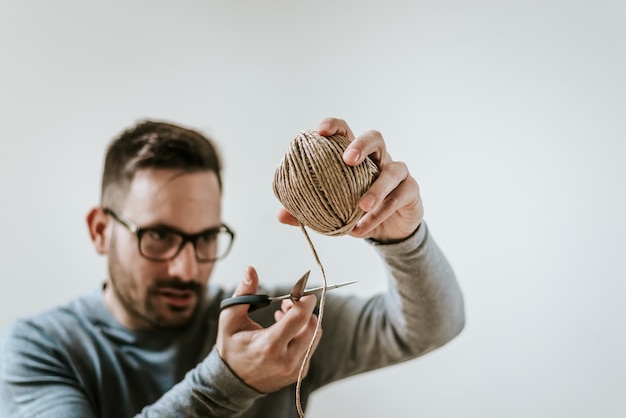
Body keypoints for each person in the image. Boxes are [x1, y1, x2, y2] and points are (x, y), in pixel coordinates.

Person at [0, 117, 465, 417]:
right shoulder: (40, 348)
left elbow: (429, 327)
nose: (187, 268)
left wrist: (402, 238)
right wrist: (230, 382)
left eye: (205, 238)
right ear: (101, 230)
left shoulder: (269, 326)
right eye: (158, 236)